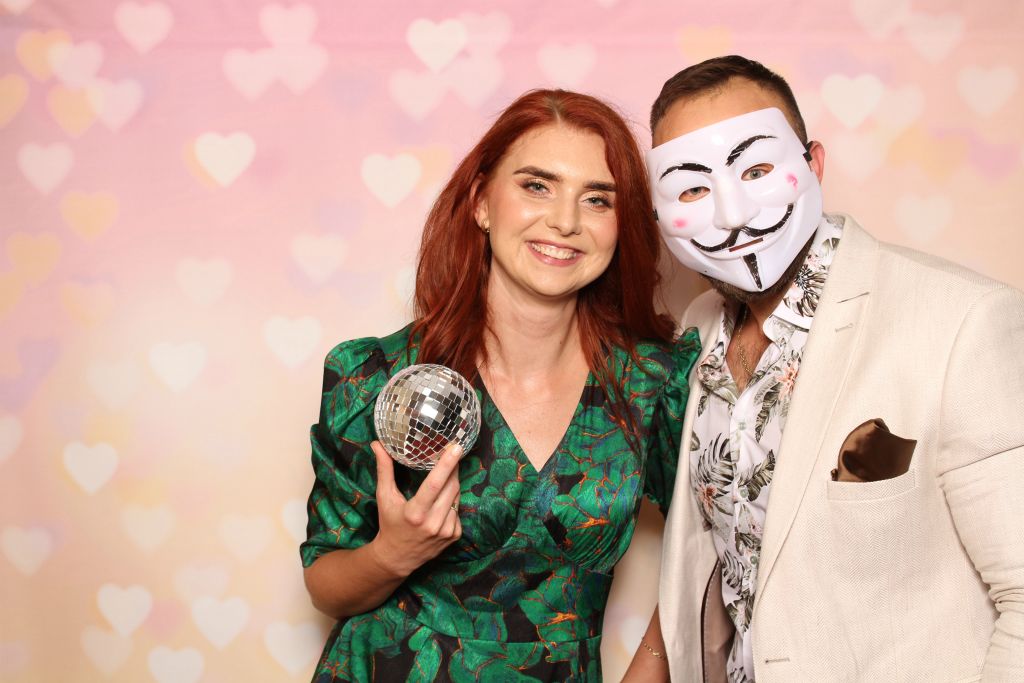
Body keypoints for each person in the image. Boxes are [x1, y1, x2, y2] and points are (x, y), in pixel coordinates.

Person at [626, 56, 1024, 682]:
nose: (731, 213)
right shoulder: (698, 332)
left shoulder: (961, 320)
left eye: (757, 170)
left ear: (814, 163)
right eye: (694, 189)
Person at [300, 89, 701, 682]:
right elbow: (325, 585)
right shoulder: (374, 375)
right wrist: (392, 553)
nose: (565, 221)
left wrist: (650, 671)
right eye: (537, 186)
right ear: (482, 202)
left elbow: (710, 546)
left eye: (597, 199)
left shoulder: (653, 384)